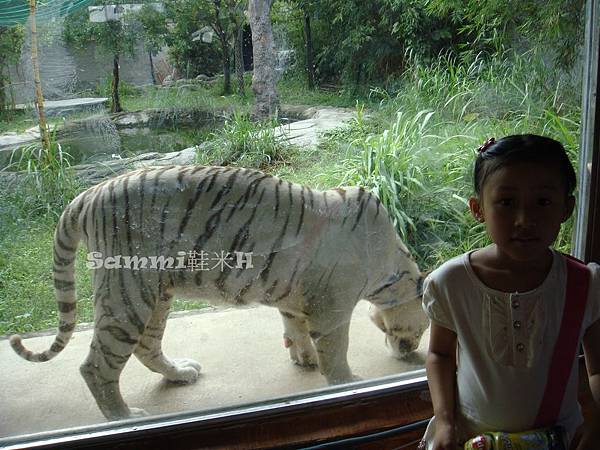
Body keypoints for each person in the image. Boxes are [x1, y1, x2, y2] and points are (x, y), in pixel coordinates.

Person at [421, 134, 600, 449]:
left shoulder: (584, 284)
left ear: (567, 208)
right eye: (506, 202)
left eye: (543, 202)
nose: (524, 220)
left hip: (560, 439)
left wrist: (597, 422)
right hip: (472, 439)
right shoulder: (452, 283)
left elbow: (598, 367)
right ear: (478, 209)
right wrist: (445, 423)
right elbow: (439, 354)